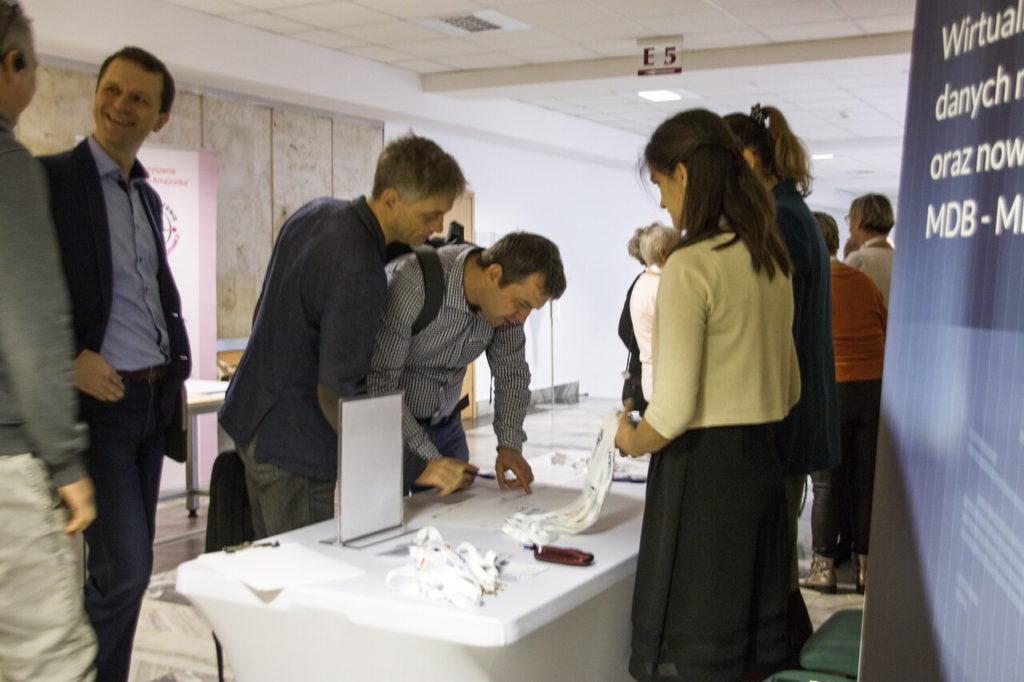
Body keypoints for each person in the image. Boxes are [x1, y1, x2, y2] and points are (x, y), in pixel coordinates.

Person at [615, 109, 799, 682]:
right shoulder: (771, 256)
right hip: (762, 468)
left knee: (697, 654)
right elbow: (791, 385)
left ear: (684, 174)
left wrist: (630, 439)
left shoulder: (692, 264)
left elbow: (671, 411)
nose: (663, 203)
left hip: (704, 481)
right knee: (749, 657)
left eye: (661, 185)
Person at [219, 134, 467, 537]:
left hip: (255, 417)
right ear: (391, 199)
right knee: (302, 565)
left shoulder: (318, 212)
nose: (438, 227)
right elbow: (338, 393)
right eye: (430, 214)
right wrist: (414, 466)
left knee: (274, 556)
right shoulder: (359, 268)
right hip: (294, 444)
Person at [40, 46, 191, 681]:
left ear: (160, 118)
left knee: (124, 571)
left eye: (138, 99)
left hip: (152, 405)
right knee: (125, 569)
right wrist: (64, 360)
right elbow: (15, 291)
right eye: (112, 90)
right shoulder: (51, 181)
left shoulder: (145, 197)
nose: (119, 106)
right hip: (99, 408)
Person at [0, 5, 98, 679]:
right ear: (12, 66)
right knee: (49, 661)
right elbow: (32, 328)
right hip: (9, 463)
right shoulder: (9, 168)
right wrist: (66, 463)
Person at [724, 104, 840, 664]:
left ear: (748, 159)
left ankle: (785, 662)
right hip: (790, 411)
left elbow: (773, 329)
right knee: (773, 561)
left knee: (771, 566)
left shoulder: (782, 220)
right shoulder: (789, 212)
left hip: (785, 416)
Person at [369, 232, 566, 494]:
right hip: (392, 433)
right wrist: (427, 460)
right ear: (494, 274)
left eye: (531, 309)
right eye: (521, 304)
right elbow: (379, 383)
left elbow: (511, 373)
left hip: (448, 429)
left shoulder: (505, 311)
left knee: (454, 516)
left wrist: (509, 445)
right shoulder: (413, 284)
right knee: (391, 516)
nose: (521, 319)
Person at [805, 212, 886, 595]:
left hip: (831, 387)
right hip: (873, 389)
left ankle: (823, 569)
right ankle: (866, 568)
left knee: (826, 484)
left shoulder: (811, 286)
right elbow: (884, 326)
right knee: (864, 481)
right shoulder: (864, 282)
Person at [629, 224, 679, 403]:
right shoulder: (661, 288)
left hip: (651, 375)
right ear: (663, 253)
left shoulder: (642, 283)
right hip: (666, 379)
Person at [617, 227, 648, 414]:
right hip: (648, 375)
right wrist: (647, 354)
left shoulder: (642, 281)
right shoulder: (643, 283)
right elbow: (624, 328)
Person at [844, 192, 895, 307]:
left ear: (859, 220)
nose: (849, 228)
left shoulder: (858, 260)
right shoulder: (900, 260)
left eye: (850, 219)